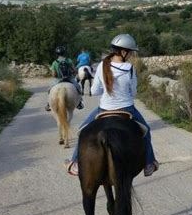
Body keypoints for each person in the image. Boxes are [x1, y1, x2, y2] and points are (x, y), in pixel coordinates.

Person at [65, 34, 159, 177]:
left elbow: (94, 90)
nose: (131, 54)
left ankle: (75, 163)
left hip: (104, 109)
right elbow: (133, 93)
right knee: (146, 132)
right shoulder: (130, 68)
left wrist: (107, 89)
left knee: (82, 132)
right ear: (123, 52)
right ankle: (148, 163)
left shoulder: (102, 65)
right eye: (131, 52)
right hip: (127, 109)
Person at [45, 46, 84, 111]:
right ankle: (80, 102)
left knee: (49, 89)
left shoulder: (54, 62)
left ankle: (49, 103)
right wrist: (74, 73)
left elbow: (54, 75)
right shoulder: (69, 60)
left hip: (58, 80)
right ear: (64, 53)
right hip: (69, 79)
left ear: (56, 53)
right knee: (78, 87)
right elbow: (74, 70)